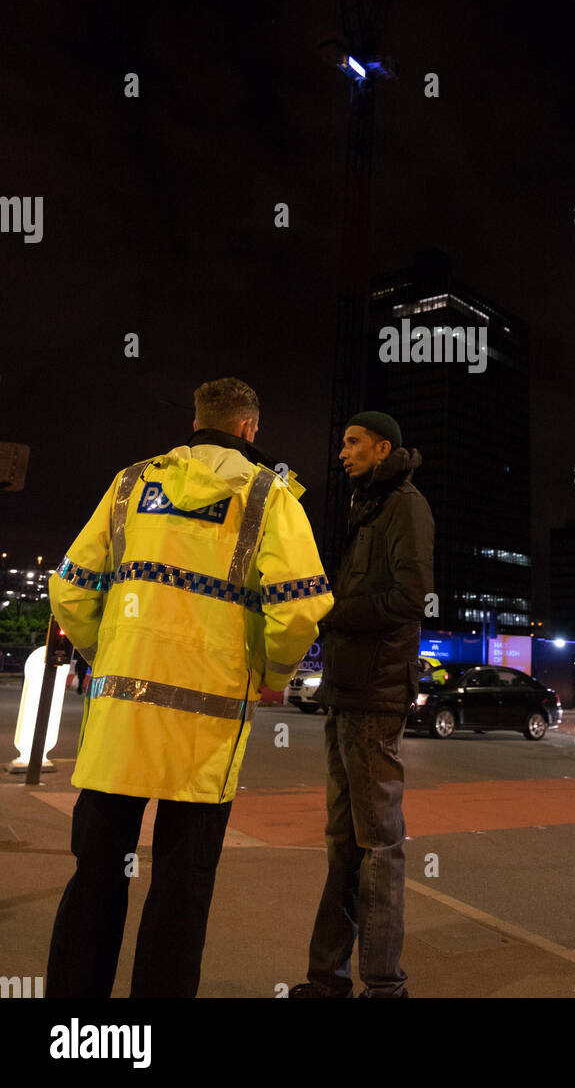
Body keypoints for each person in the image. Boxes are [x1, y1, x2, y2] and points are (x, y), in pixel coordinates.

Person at [45, 377, 333, 998]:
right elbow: (302, 609)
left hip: (118, 728)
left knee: (95, 880)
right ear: (249, 429)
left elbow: (68, 588)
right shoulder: (268, 495)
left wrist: (106, 654)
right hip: (204, 740)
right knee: (180, 893)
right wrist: (270, 674)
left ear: (197, 419)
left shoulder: (128, 483)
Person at [289, 411, 434, 999]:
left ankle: (383, 985)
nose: (342, 452)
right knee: (343, 842)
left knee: (379, 846)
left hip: (376, 694)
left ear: (381, 448)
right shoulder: (366, 506)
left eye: (352, 443)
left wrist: (332, 610)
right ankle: (327, 980)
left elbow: (410, 594)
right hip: (348, 692)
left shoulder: (404, 504)